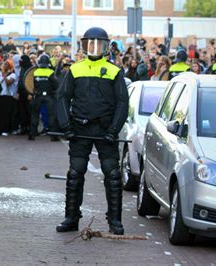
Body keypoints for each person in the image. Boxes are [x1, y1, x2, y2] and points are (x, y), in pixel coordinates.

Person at [56, 27, 129, 235]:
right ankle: (71, 217)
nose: (94, 48)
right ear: (84, 45)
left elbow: (123, 103)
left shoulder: (115, 71)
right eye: (90, 44)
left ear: (106, 47)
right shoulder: (75, 69)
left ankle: (115, 220)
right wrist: (66, 126)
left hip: (105, 130)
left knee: (113, 174)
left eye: (99, 44)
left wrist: (114, 130)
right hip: (80, 128)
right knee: (75, 173)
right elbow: (62, 97)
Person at [28, 55, 58, 141]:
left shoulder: (36, 72)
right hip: (49, 96)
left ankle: (32, 135)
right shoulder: (50, 72)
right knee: (51, 116)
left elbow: (33, 85)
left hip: (38, 96)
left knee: (35, 115)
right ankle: (53, 136)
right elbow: (56, 85)